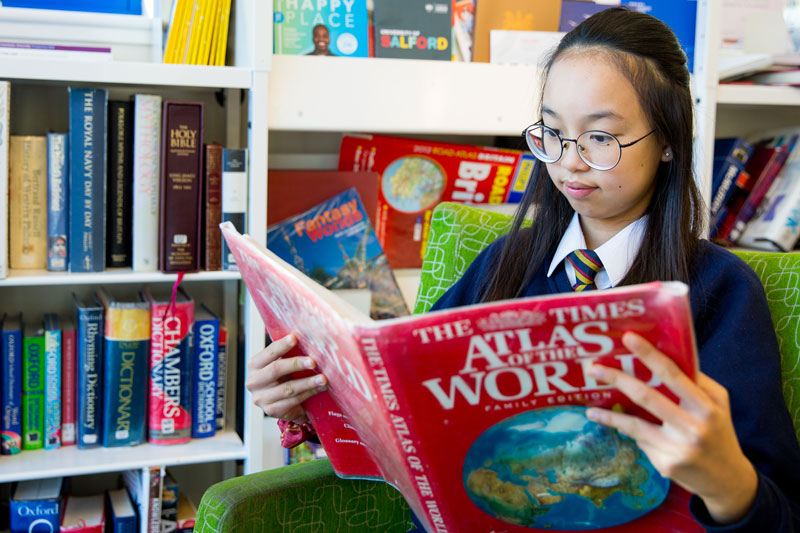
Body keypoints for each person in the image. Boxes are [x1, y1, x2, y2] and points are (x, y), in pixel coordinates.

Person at [247, 7, 800, 531]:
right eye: (552, 132)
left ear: (669, 143)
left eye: (601, 137)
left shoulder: (720, 292)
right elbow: (399, 412)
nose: (568, 160)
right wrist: (311, 400)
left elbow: (780, 510)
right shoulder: (500, 266)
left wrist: (727, 481)